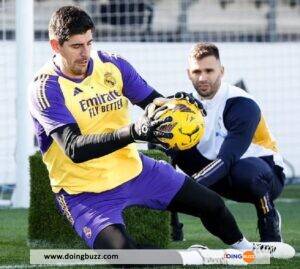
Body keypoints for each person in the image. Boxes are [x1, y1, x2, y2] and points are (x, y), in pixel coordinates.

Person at [29, 6, 290, 256]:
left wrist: (175, 105)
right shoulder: (46, 87)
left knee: (213, 205)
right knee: (125, 255)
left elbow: (152, 101)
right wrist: (134, 132)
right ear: (56, 46)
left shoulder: (112, 65)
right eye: (77, 46)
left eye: (89, 43)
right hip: (83, 192)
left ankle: (245, 250)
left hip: (135, 171)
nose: (85, 53)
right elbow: (74, 148)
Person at [166, 42, 285, 242]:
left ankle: (268, 220)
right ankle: (172, 226)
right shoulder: (185, 105)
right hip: (215, 171)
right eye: (197, 71)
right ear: (189, 74)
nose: (203, 77)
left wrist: (187, 190)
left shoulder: (242, 105)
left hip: (260, 173)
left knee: (245, 172)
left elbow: (227, 159)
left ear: (221, 71)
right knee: (164, 137)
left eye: (209, 71)